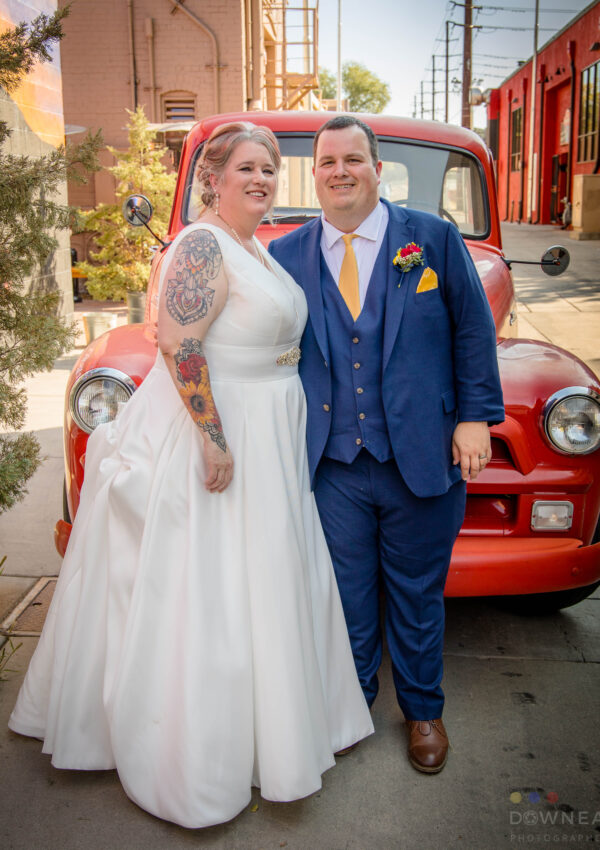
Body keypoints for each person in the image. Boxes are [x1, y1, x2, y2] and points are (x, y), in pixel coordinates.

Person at [8, 122, 373, 828]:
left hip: (271, 431)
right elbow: (180, 344)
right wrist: (212, 439)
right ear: (212, 178)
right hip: (225, 427)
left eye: (270, 168)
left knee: (266, 579)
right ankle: (199, 756)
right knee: (214, 587)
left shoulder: (253, 246)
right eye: (247, 168)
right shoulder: (203, 244)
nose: (262, 180)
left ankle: (278, 731)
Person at [269, 115, 504, 774]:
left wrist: (476, 418)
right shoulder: (287, 254)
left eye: (353, 159)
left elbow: (472, 331)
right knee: (344, 595)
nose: (339, 171)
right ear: (313, 174)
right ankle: (353, 706)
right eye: (327, 162)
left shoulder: (432, 239)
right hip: (333, 463)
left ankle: (424, 711)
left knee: (418, 593)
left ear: (377, 169)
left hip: (421, 455)